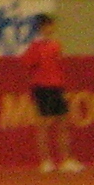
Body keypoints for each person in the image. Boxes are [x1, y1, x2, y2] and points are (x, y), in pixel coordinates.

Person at [19, 14, 81, 173]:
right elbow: (27, 64)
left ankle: (66, 160)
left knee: (63, 123)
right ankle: (45, 161)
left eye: (51, 25)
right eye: (47, 26)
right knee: (44, 125)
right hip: (42, 88)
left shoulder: (56, 45)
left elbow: (59, 66)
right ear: (41, 28)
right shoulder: (35, 47)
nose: (50, 29)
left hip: (57, 88)